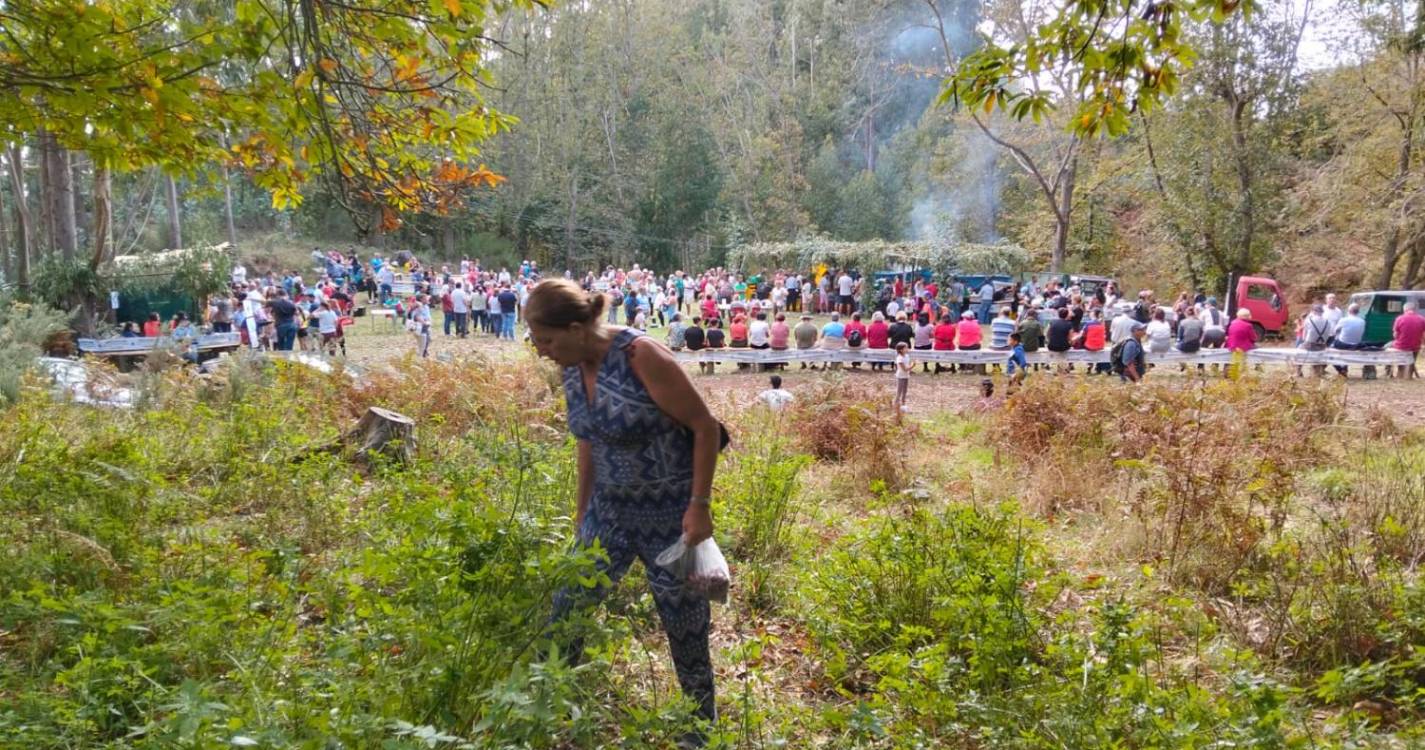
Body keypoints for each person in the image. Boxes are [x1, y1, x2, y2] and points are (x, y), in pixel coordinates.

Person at [525, 280, 720, 738]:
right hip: (608, 511)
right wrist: (581, 515)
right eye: (535, 343)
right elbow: (587, 442)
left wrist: (700, 506)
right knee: (566, 609)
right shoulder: (571, 365)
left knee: (685, 624)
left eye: (547, 341)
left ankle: (700, 729)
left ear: (576, 328)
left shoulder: (641, 356)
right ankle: (541, 710)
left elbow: (705, 427)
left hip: (670, 516)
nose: (542, 352)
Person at [1391, 301, 1425, 379]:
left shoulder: (1399, 318)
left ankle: (1398, 372)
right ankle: (1409, 373)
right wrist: (1422, 344)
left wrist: (1397, 339)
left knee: (1388, 345)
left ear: (1405, 309)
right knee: (1413, 354)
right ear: (1414, 309)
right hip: (1415, 346)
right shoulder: (1422, 319)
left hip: (1401, 346)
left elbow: (1395, 335)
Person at [1331, 303, 1365, 377]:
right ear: (1358, 312)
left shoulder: (1344, 320)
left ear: (1348, 311)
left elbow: (1334, 331)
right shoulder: (1362, 321)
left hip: (1343, 344)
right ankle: (1344, 368)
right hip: (1356, 345)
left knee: (1330, 351)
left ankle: (1341, 370)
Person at [1225, 307, 1258, 378]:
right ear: (1247, 316)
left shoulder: (1232, 322)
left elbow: (1228, 334)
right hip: (1242, 347)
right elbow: (1254, 338)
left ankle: (1229, 371)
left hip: (1231, 345)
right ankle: (1258, 366)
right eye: (1249, 315)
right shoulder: (1248, 325)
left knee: (1234, 359)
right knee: (1257, 347)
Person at [893, 342, 911, 411]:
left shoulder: (907, 356)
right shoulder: (899, 358)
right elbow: (905, 369)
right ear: (901, 350)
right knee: (899, 391)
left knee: (905, 391)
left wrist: (910, 366)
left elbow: (907, 366)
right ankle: (896, 404)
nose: (907, 349)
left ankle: (903, 404)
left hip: (906, 376)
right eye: (905, 348)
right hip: (900, 376)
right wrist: (913, 365)